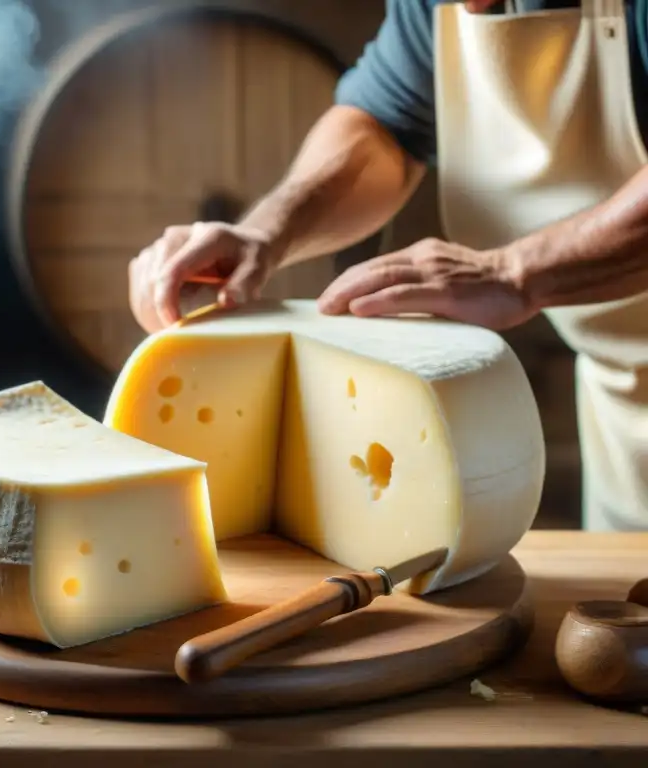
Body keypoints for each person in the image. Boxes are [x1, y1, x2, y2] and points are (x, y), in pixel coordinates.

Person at [127, 0, 648, 532]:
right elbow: (383, 131)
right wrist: (264, 231)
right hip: (624, 415)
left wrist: (513, 273)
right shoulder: (435, 9)